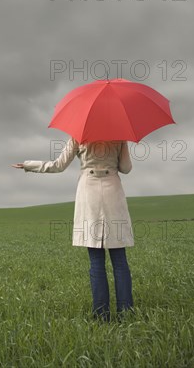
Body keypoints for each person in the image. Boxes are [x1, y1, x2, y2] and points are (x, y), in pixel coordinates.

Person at [12, 137, 135, 323]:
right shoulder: (118, 135)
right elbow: (126, 168)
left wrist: (29, 165)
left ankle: (101, 315)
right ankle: (126, 314)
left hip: (89, 193)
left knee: (96, 260)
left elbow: (58, 165)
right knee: (119, 259)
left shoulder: (79, 135)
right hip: (113, 191)